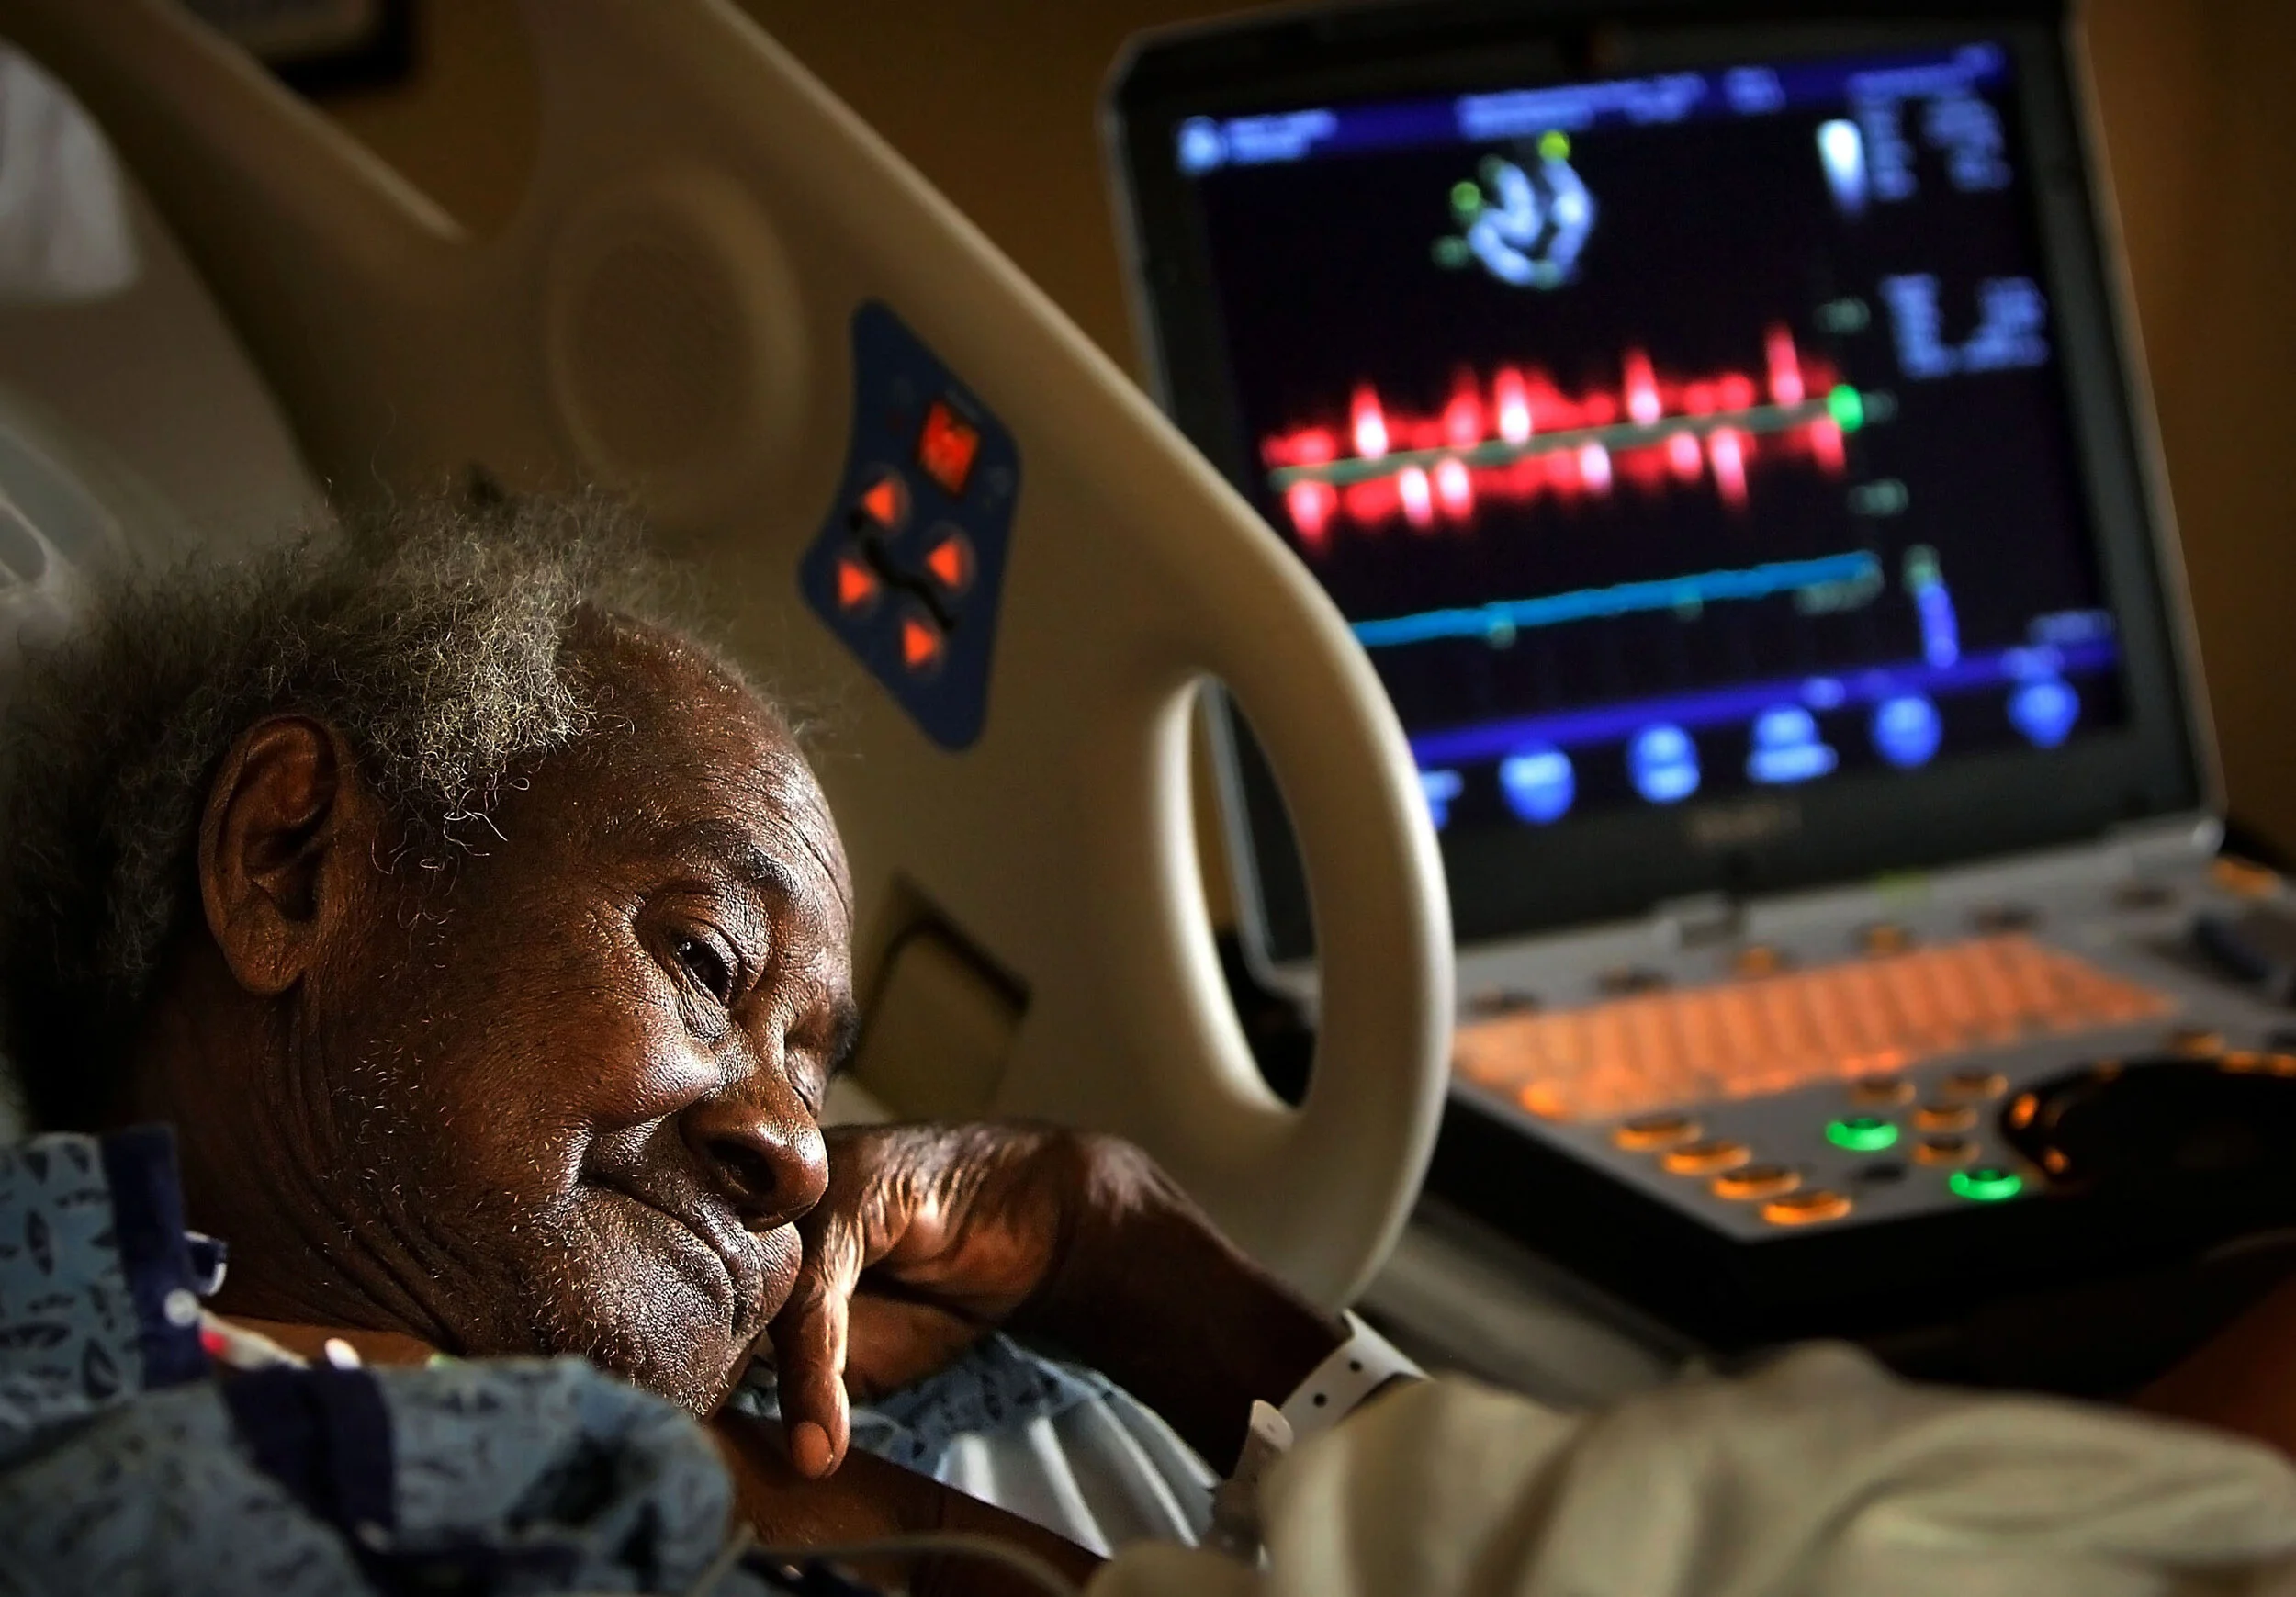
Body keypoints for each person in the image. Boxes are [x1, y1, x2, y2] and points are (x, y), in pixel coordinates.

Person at [3, 493, 2295, 1596]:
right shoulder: (103, 1441)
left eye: (822, 1056)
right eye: (707, 965)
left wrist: (1144, 1275)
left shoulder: (985, 1378)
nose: (800, 1148)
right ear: (291, 862)